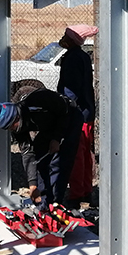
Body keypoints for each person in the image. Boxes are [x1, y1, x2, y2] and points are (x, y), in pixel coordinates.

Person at [0, 86, 83, 210]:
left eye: (11, 126)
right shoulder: (17, 128)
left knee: (59, 162)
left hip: (69, 117)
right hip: (49, 126)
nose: (12, 130)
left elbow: (64, 110)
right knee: (39, 159)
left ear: (16, 117)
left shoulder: (37, 101)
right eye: (8, 128)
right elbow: (27, 153)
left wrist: (57, 138)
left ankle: (55, 204)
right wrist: (32, 184)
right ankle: (42, 204)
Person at [57, 24, 98, 204]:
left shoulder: (71, 58)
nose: (63, 39)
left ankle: (76, 194)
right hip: (87, 111)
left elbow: (71, 88)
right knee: (86, 153)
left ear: (72, 41)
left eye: (66, 36)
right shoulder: (83, 57)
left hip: (77, 113)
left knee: (75, 154)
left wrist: (66, 109)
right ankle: (86, 189)